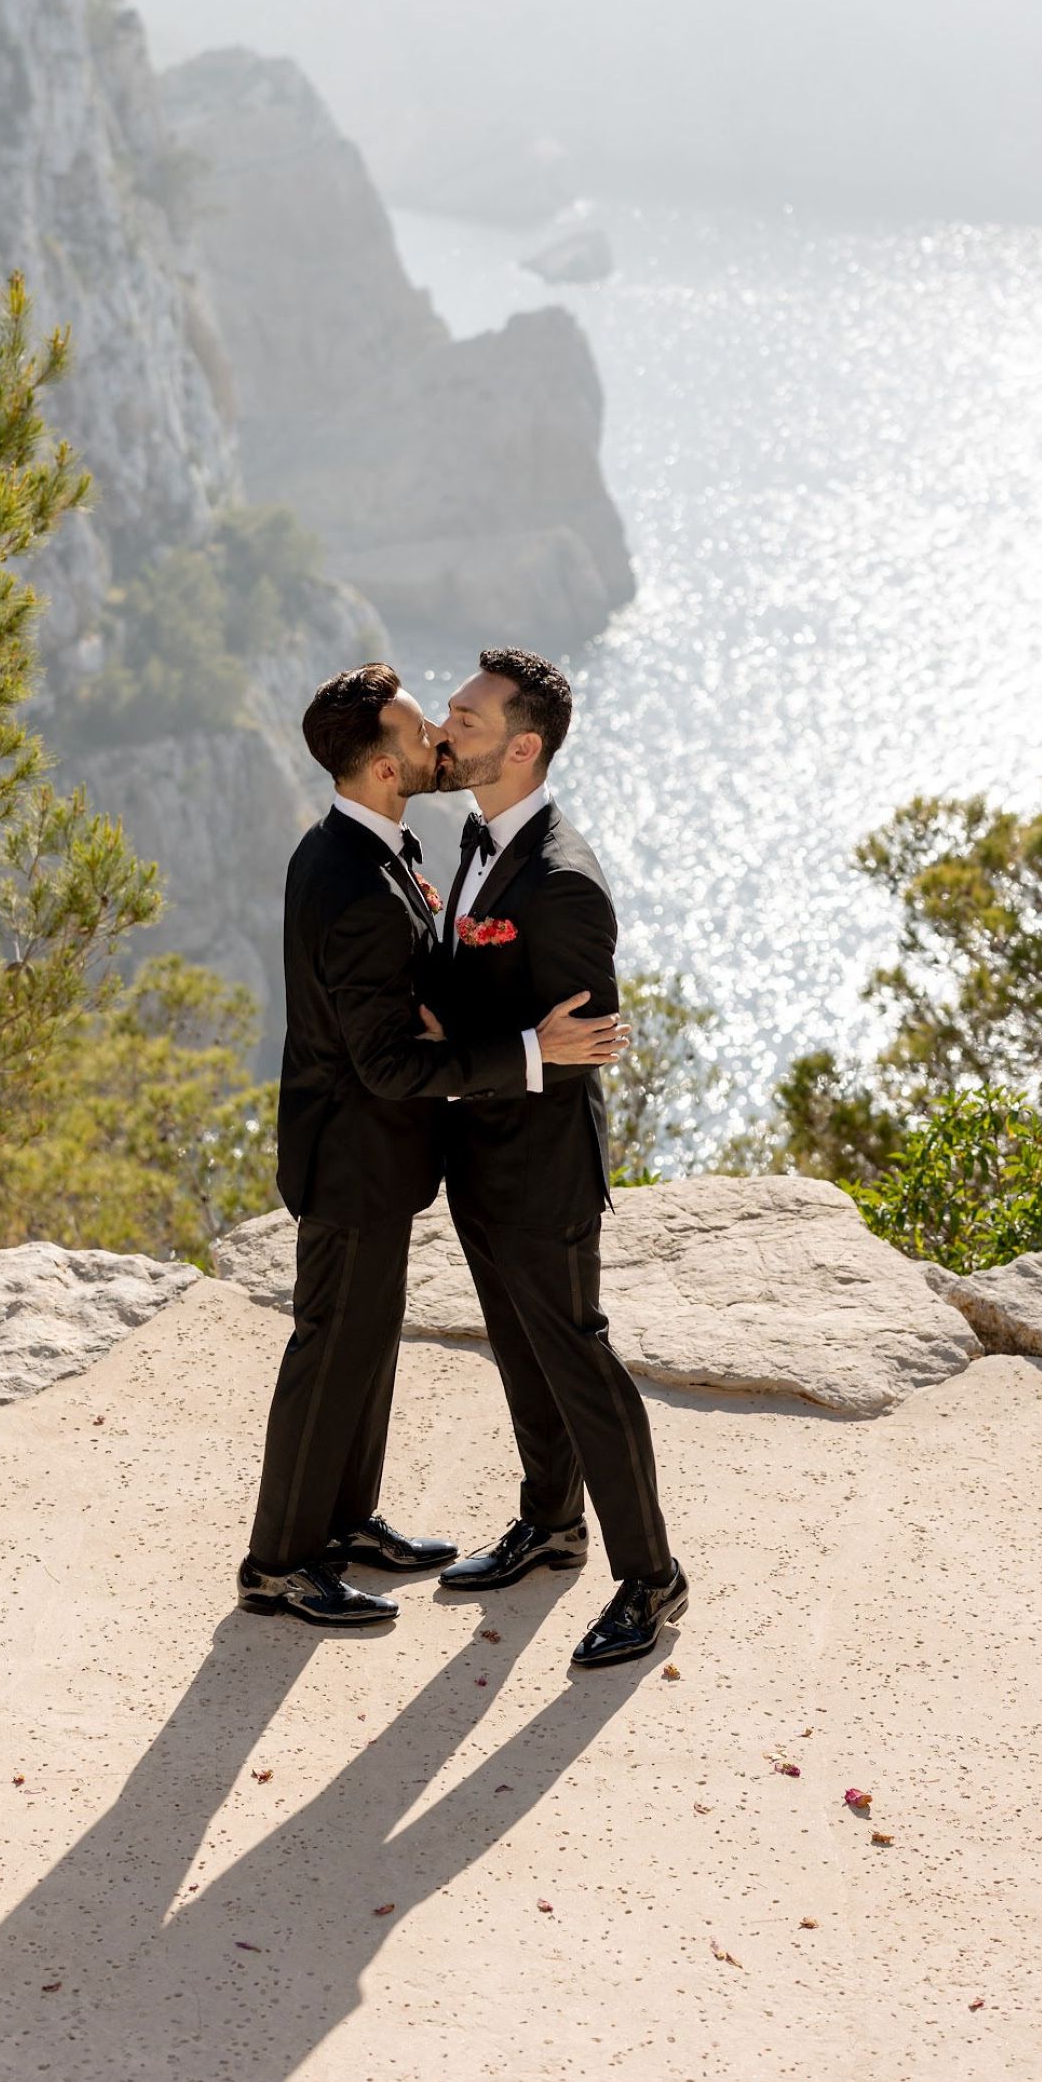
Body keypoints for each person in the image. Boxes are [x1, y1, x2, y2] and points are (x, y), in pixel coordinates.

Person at [239, 662, 626, 1630]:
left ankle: (347, 1521)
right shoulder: (356, 878)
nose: (436, 744)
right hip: (352, 1157)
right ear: (380, 765)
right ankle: (280, 1561)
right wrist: (529, 1049)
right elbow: (380, 1064)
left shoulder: (371, 847)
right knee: (331, 1351)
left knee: (366, 1349)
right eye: (420, 733)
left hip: (382, 1159)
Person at [431, 647, 688, 1669]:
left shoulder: (564, 881)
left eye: (467, 715)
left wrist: (464, 1053)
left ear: (523, 746)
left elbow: (579, 1049)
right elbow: (483, 991)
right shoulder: (474, 837)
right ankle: (551, 1522)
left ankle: (652, 1575)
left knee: (578, 1356)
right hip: (476, 1157)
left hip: (540, 1166)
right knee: (521, 1350)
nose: (446, 727)